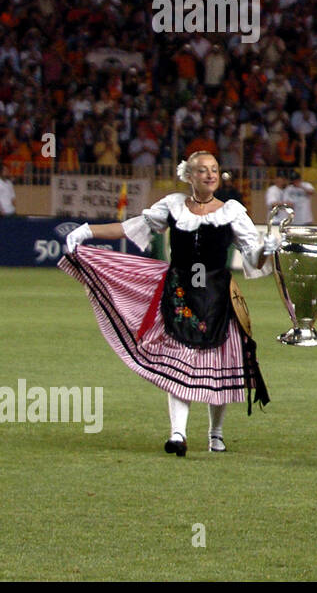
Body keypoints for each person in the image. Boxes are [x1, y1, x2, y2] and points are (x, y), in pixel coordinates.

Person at [60, 152, 274, 455]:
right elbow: (132, 226)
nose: (210, 175)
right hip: (178, 291)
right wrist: (88, 230)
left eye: (214, 170)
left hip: (217, 295)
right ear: (189, 176)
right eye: (203, 171)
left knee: (219, 364)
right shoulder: (173, 206)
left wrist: (266, 249)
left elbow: (254, 258)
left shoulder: (233, 212)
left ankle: (216, 433)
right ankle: (177, 433)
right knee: (179, 360)